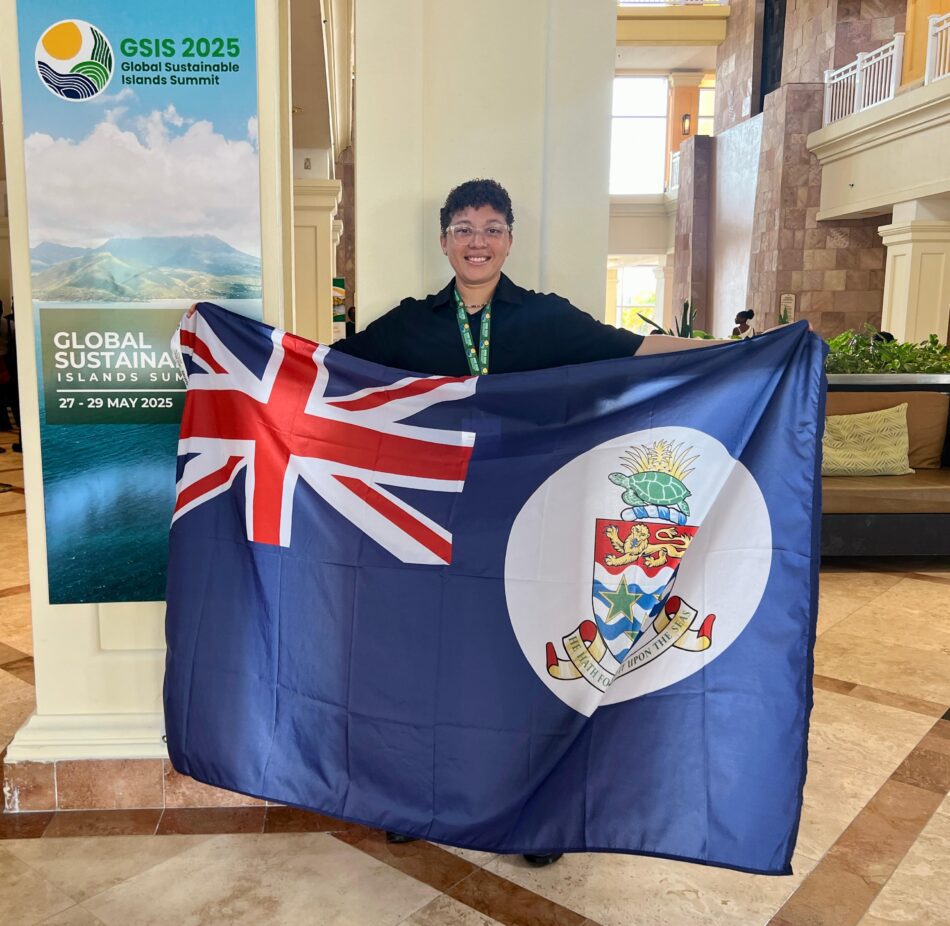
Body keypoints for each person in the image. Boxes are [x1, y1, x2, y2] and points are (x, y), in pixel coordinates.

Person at [332, 178, 765, 866]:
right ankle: (417, 800)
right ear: (444, 241)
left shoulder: (546, 319)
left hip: (531, 524)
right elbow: (326, 371)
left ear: (509, 240)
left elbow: (634, 351)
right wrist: (234, 347)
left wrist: (745, 350)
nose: (477, 241)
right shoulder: (409, 325)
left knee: (525, 670)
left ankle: (535, 817)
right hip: (439, 527)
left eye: (491, 228)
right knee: (433, 666)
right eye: (464, 228)